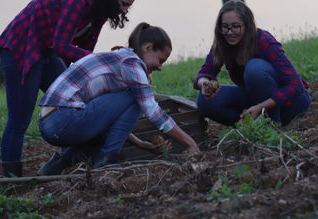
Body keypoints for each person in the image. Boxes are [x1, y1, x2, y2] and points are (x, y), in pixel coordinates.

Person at [0, 0, 137, 177]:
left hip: (46, 52)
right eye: (124, 4)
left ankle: (62, 161)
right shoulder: (77, 2)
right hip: (21, 48)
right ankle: (10, 178)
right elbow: (62, 46)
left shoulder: (99, 14)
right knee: (19, 119)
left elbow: (83, 57)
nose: (125, 11)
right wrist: (103, 61)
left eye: (129, 7)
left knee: (75, 100)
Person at [36, 22, 201, 175]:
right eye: (160, 60)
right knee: (137, 97)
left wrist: (140, 144)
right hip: (64, 118)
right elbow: (152, 111)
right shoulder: (131, 63)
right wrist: (190, 143)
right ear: (148, 47)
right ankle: (107, 161)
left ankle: (57, 165)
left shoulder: (119, 59)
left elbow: (105, 119)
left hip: (51, 123)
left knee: (108, 131)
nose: (160, 67)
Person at [194, 0, 311, 126]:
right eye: (225, 27)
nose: (229, 32)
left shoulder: (264, 41)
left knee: (255, 69)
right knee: (204, 101)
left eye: (235, 26)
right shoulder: (222, 43)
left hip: (290, 105)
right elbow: (205, 73)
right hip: (255, 101)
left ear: (247, 25)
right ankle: (247, 124)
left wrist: (261, 107)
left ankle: (272, 126)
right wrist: (204, 84)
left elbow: (295, 84)